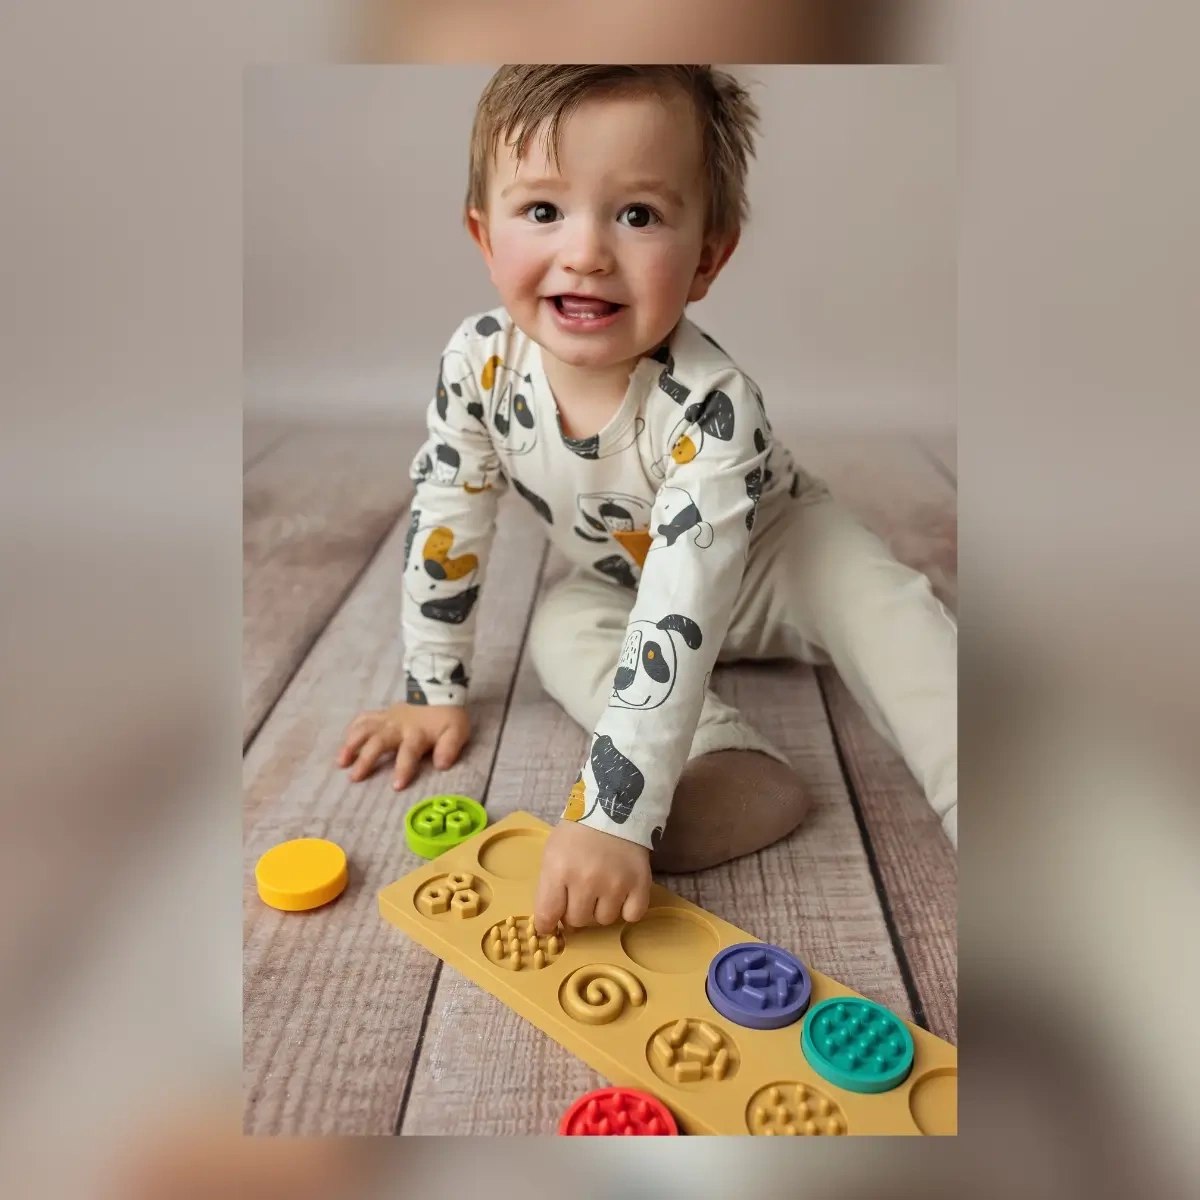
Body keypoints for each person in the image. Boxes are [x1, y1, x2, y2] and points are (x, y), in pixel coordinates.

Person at [337, 65, 957, 936]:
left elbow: (685, 601)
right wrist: (432, 686)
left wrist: (612, 814)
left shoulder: (711, 405)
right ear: (483, 235)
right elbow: (448, 512)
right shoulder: (478, 365)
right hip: (629, 580)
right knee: (562, 629)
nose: (586, 252)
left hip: (778, 556)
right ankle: (724, 759)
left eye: (637, 215)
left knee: (895, 616)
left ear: (707, 258)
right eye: (543, 210)